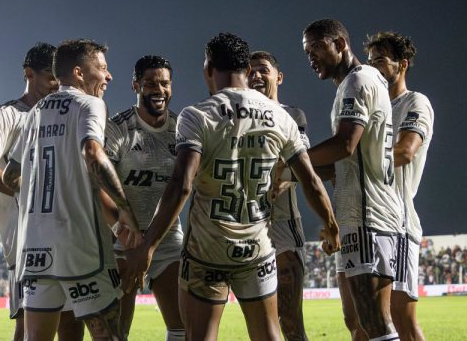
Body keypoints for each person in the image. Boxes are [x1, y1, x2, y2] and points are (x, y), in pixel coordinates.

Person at [124, 32, 339, 341]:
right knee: (269, 333)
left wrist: (147, 247)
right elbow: (311, 181)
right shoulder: (281, 117)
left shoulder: (196, 116)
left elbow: (181, 185)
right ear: (247, 71)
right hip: (256, 249)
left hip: (207, 251)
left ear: (209, 68)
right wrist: (330, 225)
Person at [2, 39, 141, 341]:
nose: (108, 76)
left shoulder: (36, 111)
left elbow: (10, 176)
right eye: (102, 68)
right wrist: (126, 214)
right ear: (79, 72)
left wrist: (44, 193)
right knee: (110, 336)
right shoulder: (89, 104)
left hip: (35, 248)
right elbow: (93, 153)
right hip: (80, 248)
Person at [0, 42, 84, 341]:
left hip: (66, 237)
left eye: (60, 76)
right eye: (49, 76)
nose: (57, 83)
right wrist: (24, 191)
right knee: (29, 328)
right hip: (26, 244)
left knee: (73, 324)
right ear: (29, 73)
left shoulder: (62, 115)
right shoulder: (8, 114)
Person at [302, 19, 404, 341]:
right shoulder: (361, 81)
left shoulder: (357, 82)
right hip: (361, 216)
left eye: (317, 47)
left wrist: (290, 160)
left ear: (341, 44)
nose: (311, 57)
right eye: (307, 52)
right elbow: (343, 162)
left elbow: (344, 145)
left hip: (368, 217)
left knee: (375, 324)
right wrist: (301, 175)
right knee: (358, 321)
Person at [104, 55, 184, 341]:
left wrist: (149, 244)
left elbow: (190, 186)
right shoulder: (117, 128)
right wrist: (126, 237)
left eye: (164, 83)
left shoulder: (182, 128)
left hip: (165, 239)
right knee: (116, 332)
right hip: (120, 241)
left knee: (182, 329)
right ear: (136, 85)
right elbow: (99, 185)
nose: (158, 90)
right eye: (150, 83)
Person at [365, 31, 434, 341]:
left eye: (380, 61)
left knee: (400, 318)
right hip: (369, 221)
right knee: (366, 319)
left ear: (402, 64)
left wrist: (356, 163)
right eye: (369, 62)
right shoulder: (370, 110)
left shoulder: (415, 102)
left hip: (399, 223)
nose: (373, 68)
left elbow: (405, 152)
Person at [248, 50, 311, 341]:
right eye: (250, 70)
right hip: (244, 224)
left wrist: (283, 176)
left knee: (290, 319)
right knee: (260, 322)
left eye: (263, 70)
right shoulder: (237, 117)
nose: (256, 75)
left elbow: (303, 164)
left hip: (282, 223)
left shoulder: (292, 114)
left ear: (279, 77)